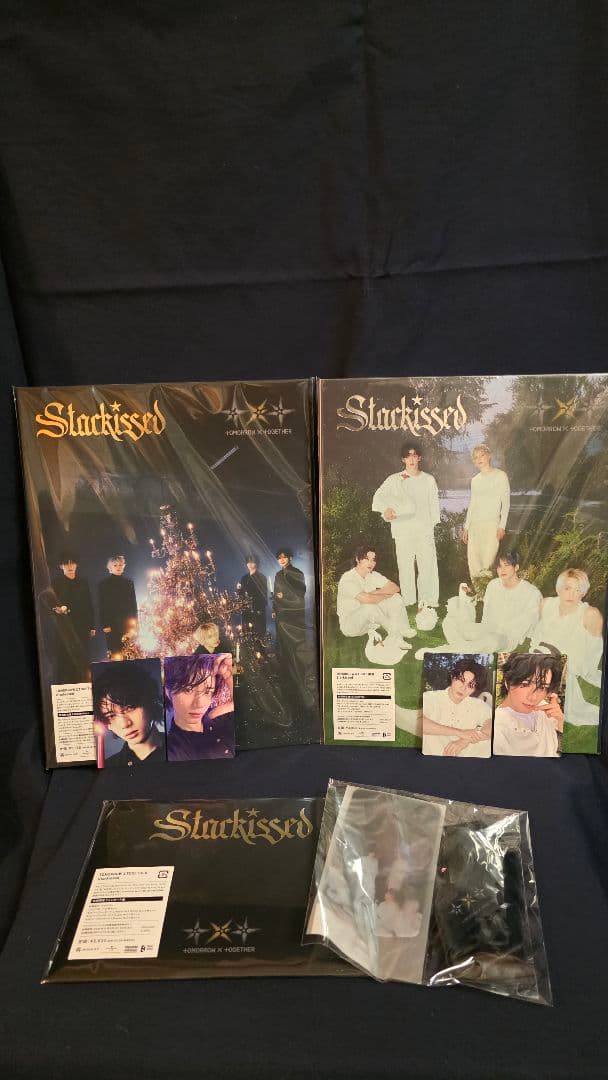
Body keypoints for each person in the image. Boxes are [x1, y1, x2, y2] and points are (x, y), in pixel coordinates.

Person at [529, 568, 603, 729]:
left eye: (578, 590)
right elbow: (537, 635)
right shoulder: (546, 604)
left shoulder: (590, 614)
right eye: (567, 588)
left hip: (570, 661)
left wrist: (581, 669)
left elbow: (594, 652)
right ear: (559, 589)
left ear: (583, 593)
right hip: (540, 654)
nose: (571, 595)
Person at [372, 444, 440, 608]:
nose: (411, 459)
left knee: (427, 566)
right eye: (408, 456)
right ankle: (409, 600)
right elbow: (378, 497)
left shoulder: (428, 480)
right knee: (405, 567)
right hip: (402, 530)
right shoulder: (394, 479)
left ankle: (428, 600)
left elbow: (434, 506)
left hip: (423, 530)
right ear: (403, 459)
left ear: (419, 458)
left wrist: (430, 526)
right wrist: (385, 510)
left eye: (414, 455)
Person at [336, 547, 415, 650]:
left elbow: (395, 588)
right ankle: (395, 636)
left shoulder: (373, 575)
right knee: (369, 607)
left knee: (396, 597)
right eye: (367, 559)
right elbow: (366, 600)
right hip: (351, 625)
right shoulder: (348, 578)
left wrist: (375, 593)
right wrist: (383, 594)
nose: (371, 563)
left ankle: (403, 628)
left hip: (370, 623)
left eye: (373, 560)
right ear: (358, 559)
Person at [92, 660, 165, 767]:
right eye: (111, 716)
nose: (124, 724)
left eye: (130, 707)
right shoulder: (109, 768)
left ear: (150, 701)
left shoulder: (182, 749)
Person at [164, 653, 235, 761]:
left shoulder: (218, 716)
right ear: (168, 691)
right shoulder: (174, 752)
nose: (200, 704)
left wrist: (229, 677)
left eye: (207, 691)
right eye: (188, 690)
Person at [493, 652, 564, 757]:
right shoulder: (496, 728)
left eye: (542, 687)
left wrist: (561, 720)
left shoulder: (545, 709)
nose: (533, 697)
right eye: (525, 684)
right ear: (508, 682)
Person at [422, 658, 492, 757]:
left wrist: (465, 740)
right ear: (452, 677)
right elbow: (421, 723)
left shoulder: (478, 705)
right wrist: (461, 733)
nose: (463, 688)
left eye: (470, 685)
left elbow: (491, 726)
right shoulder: (430, 697)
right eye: (461, 680)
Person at [462, 445, 510, 579]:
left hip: (492, 525)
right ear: (474, 462)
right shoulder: (475, 480)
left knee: (488, 563)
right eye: (476, 457)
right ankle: (478, 591)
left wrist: (502, 526)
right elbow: (473, 504)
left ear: (489, 456)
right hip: (475, 526)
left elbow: (506, 504)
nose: (479, 459)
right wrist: (466, 527)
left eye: (482, 455)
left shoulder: (501, 476)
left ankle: (487, 590)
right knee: (474, 564)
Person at [48, 553, 95, 682]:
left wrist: (92, 625)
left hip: (82, 624)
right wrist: (56, 609)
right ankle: (66, 683)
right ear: (61, 566)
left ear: (76, 565)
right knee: (65, 654)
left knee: (83, 653)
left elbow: (89, 604)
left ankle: (83, 681)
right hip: (65, 625)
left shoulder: (83, 583)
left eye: (72, 563)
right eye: (66, 563)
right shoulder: (56, 583)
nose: (70, 566)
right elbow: (51, 602)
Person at [272, 547, 307, 674]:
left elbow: (301, 592)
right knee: (281, 642)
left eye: (284, 557)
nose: (281, 560)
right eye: (279, 558)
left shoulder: (297, 573)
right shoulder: (278, 575)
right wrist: (274, 609)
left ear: (290, 558)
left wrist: (285, 595)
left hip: (294, 613)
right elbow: (275, 594)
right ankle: (285, 671)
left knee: (294, 642)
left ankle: (297, 672)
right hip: (281, 613)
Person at [98, 553, 138, 656]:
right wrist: (105, 624)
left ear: (124, 566)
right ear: (110, 568)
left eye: (120, 565)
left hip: (127, 623)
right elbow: (102, 605)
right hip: (112, 624)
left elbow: (133, 605)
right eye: (115, 565)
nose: (118, 567)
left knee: (130, 653)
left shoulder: (129, 583)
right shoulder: (103, 584)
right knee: (115, 654)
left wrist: (135, 624)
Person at [239, 556, 268, 637]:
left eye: (252, 562)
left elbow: (263, 595)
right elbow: (240, 593)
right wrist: (239, 591)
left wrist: (259, 608)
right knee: (246, 631)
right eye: (248, 562)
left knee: (258, 631)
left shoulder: (262, 577)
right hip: (246, 608)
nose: (250, 564)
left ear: (256, 563)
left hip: (257, 608)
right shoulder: (244, 578)